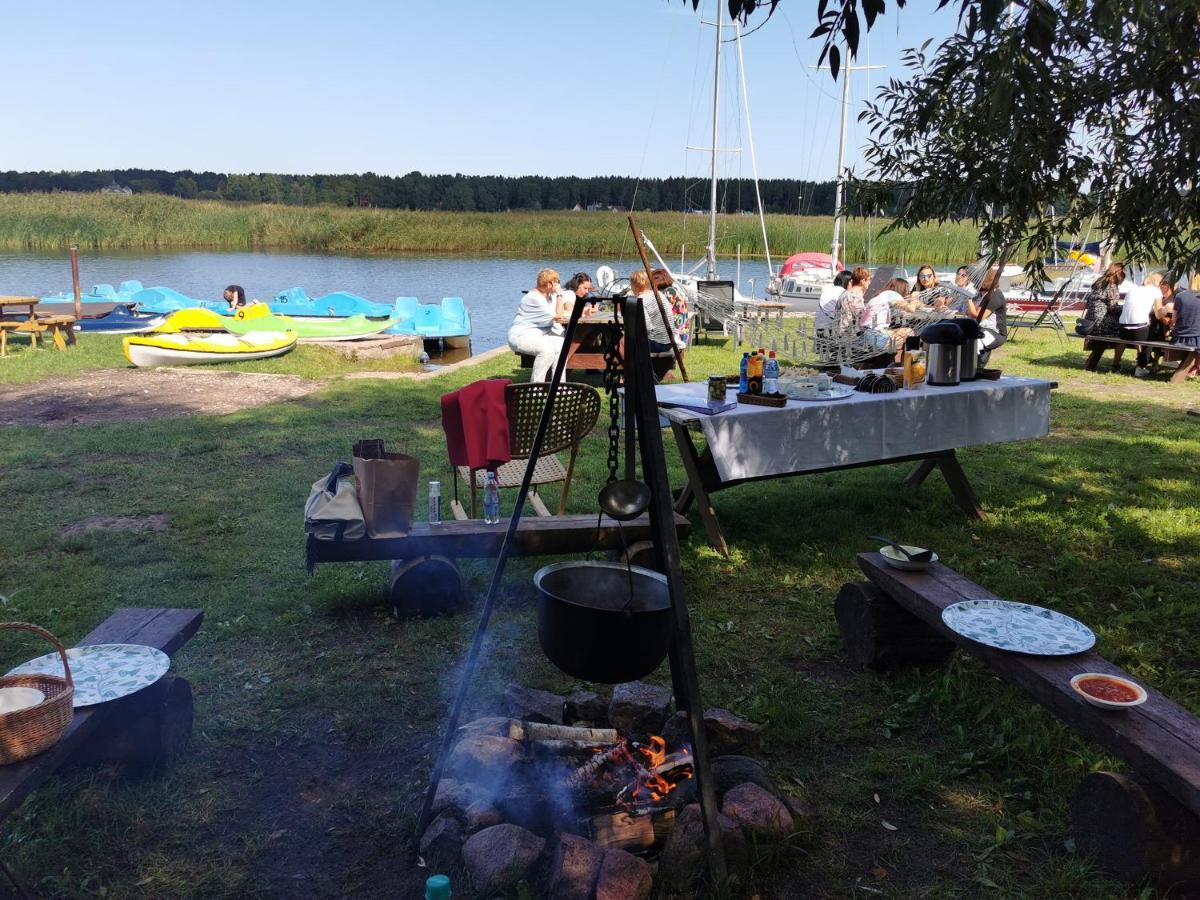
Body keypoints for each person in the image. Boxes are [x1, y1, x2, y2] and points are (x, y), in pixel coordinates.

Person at [508, 268, 566, 383]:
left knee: (562, 345)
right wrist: (559, 294)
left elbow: (561, 313)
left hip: (539, 336)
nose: (559, 285)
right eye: (557, 282)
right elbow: (559, 316)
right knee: (547, 350)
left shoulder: (548, 297)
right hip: (520, 337)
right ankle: (536, 387)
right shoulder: (534, 298)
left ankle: (559, 386)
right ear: (550, 284)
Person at [1115, 272, 1163, 376]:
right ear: (1158, 283)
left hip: (1122, 329)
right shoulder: (1156, 291)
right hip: (1138, 330)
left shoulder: (1133, 289)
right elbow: (1159, 314)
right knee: (1152, 337)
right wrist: (1166, 309)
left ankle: (1115, 364)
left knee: (1130, 336)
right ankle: (1141, 367)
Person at [966, 265, 1008, 366]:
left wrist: (967, 297)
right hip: (980, 329)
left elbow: (978, 316)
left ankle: (972, 368)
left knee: (975, 344)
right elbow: (969, 312)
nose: (973, 282)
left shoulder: (994, 295)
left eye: (976, 279)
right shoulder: (980, 295)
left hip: (995, 333)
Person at [629, 270, 675, 351]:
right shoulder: (658, 294)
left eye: (631, 285)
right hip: (670, 341)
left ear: (635, 286)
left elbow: (646, 328)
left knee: (625, 342)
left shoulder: (640, 300)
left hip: (657, 343)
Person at [1076, 263, 1126, 338]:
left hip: (1089, 323)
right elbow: (1113, 308)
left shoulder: (1099, 282)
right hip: (1100, 324)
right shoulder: (1112, 285)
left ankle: (1098, 348)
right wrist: (1124, 309)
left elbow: (1088, 304)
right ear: (1119, 275)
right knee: (1125, 327)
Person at [1171, 282, 1200, 378]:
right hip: (1196, 341)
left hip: (1179, 339)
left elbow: (1173, 319)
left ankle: (1196, 366)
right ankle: (1196, 367)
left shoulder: (1179, 296)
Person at [815, 270, 853, 334]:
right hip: (832, 328)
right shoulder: (842, 292)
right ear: (848, 282)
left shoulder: (828, 290)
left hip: (820, 325)